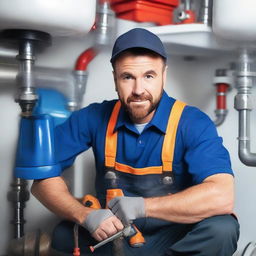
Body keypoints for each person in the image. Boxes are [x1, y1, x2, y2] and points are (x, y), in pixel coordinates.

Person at [31, 28, 239, 256]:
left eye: (149, 76)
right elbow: (41, 179)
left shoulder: (192, 122)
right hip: (116, 236)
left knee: (222, 229)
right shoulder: (93, 117)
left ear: (163, 75)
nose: (139, 90)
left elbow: (222, 196)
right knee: (63, 234)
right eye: (128, 77)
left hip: (176, 239)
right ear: (115, 79)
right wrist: (85, 215)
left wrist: (143, 207)